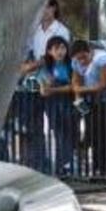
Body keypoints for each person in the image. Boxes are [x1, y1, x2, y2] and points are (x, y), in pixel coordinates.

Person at [71, 39, 106, 175]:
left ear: (90, 51)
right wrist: (79, 101)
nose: (82, 61)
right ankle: (96, 167)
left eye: (84, 57)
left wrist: (82, 90)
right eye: (79, 59)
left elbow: (104, 83)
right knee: (92, 134)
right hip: (90, 102)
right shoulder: (75, 63)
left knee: (105, 136)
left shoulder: (101, 58)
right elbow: (76, 83)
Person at [37, 36, 76, 174]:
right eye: (56, 48)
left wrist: (54, 88)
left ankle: (69, 162)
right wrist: (50, 86)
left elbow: (74, 85)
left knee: (70, 132)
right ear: (49, 51)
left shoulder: (71, 65)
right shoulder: (45, 67)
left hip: (69, 102)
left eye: (63, 48)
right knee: (58, 132)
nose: (60, 51)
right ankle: (62, 164)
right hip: (52, 104)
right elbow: (43, 90)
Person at [26, 0, 71, 73]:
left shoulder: (62, 31)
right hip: (35, 73)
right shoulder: (35, 29)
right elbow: (30, 50)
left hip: (54, 73)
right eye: (40, 7)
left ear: (54, 8)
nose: (44, 11)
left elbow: (59, 55)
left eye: (47, 7)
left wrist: (32, 66)